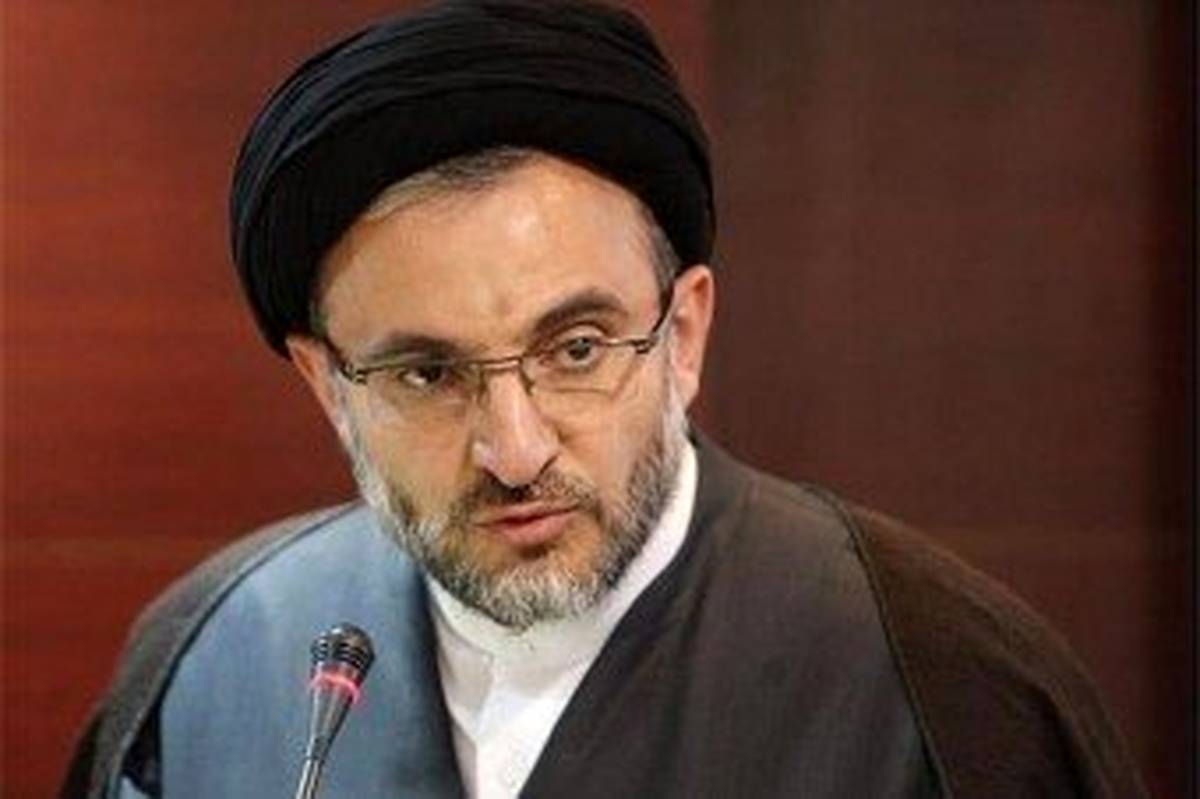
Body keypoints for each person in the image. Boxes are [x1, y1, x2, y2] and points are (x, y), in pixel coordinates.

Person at [63, 2, 1146, 797]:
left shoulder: (942, 686)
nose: (515, 448)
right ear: (327, 385)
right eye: (429, 373)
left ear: (685, 333)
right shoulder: (216, 662)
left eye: (575, 348)